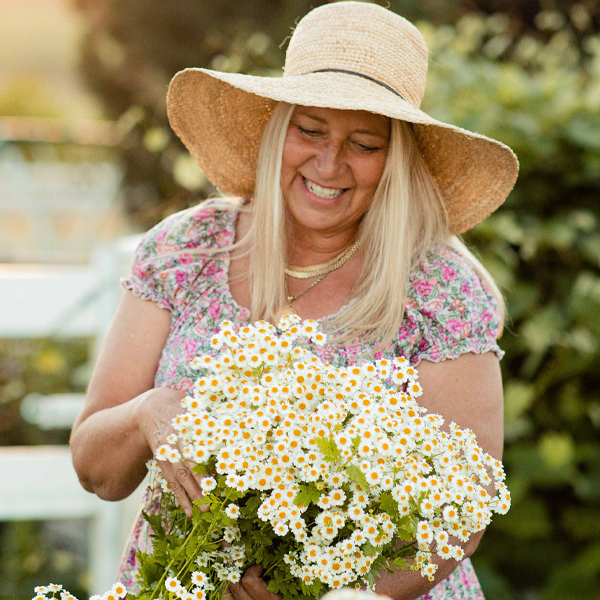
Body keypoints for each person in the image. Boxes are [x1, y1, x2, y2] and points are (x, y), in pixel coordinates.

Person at [69, 2, 518, 599]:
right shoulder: (188, 249)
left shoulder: (440, 290)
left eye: (365, 143)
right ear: (278, 130)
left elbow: (463, 513)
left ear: (396, 162)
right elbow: (97, 470)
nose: (330, 164)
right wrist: (151, 412)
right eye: (310, 130)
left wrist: (331, 596)